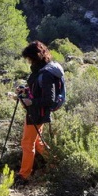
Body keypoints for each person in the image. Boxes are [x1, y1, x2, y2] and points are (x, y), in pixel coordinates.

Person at [18, 41, 64, 181]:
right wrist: (25, 91)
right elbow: (38, 90)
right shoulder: (40, 69)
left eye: (29, 58)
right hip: (36, 112)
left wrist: (31, 102)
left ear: (35, 56)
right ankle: (56, 165)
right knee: (37, 142)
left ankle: (23, 176)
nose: (28, 61)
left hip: (38, 113)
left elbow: (49, 99)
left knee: (27, 143)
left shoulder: (46, 74)